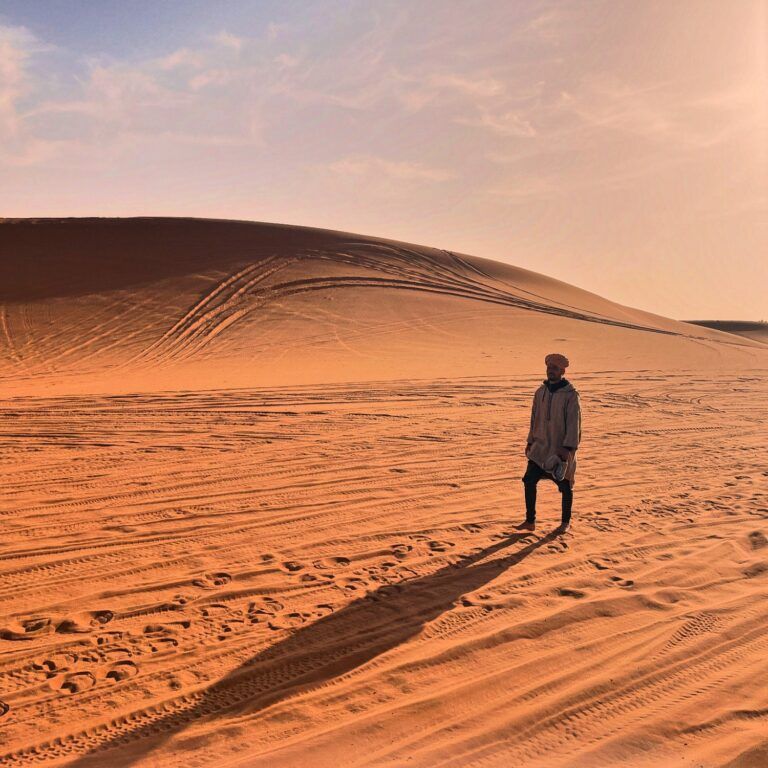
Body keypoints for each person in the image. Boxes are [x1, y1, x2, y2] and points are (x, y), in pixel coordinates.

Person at [517, 353, 581, 533]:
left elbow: (574, 423)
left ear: (562, 371)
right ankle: (530, 521)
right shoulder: (540, 392)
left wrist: (567, 448)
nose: (550, 371)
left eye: (554, 368)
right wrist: (530, 440)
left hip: (560, 449)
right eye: (549, 367)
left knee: (565, 485)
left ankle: (565, 522)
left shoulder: (571, 395)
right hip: (540, 446)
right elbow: (533, 418)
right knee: (529, 480)